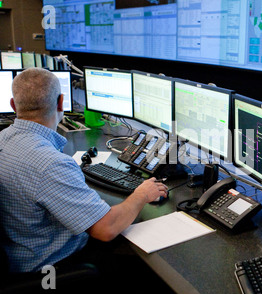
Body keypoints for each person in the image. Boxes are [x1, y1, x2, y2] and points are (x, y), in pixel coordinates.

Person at [0, 67, 168, 274]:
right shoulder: (50, 164)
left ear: (12, 105)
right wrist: (141, 194)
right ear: (61, 102)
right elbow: (105, 229)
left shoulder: (3, 140)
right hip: (51, 267)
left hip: (16, 254)